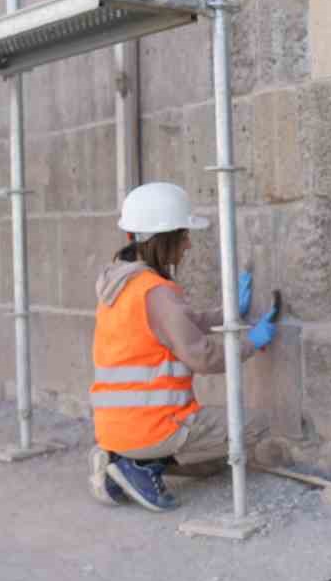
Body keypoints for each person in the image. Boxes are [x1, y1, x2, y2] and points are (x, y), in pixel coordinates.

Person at [88, 182, 281, 512]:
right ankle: (140, 466)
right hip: (154, 424)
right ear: (164, 239)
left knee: (210, 466)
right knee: (255, 427)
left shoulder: (120, 285)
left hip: (113, 426)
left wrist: (230, 312)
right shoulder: (156, 292)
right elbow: (204, 356)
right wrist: (252, 341)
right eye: (183, 235)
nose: (188, 245)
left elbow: (176, 324)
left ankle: (121, 458)